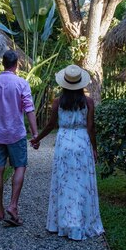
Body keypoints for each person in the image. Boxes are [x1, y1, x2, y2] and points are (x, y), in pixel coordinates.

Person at [31, 64, 104, 240]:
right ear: (81, 84)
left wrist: (37, 138)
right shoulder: (88, 102)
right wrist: (94, 147)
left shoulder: (57, 102)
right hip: (81, 143)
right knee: (81, 183)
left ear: (64, 83)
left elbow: (50, 125)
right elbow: (91, 127)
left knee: (64, 183)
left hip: (64, 143)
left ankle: (61, 223)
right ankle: (80, 223)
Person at [0, 49, 38, 226]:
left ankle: (0, 211)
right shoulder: (21, 83)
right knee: (20, 167)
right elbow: (29, 109)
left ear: (2, 63)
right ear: (17, 64)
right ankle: (13, 205)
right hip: (15, 134)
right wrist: (35, 134)